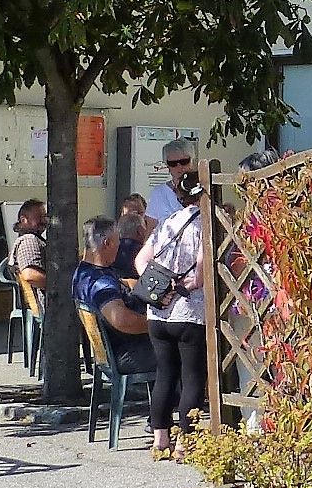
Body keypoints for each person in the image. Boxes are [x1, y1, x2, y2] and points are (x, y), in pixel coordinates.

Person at [135, 160, 210, 457]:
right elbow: (201, 274)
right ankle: (184, 442)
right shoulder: (204, 226)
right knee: (192, 377)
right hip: (189, 311)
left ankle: (160, 439)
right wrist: (185, 286)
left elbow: (140, 261)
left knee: (165, 374)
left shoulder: (166, 224)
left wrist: (160, 290)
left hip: (158, 313)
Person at [71, 216, 152, 376]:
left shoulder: (84, 273)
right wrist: (157, 325)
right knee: (186, 345)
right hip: (127, 354)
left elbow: (120, 284)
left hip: (111, 352)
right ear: (107, 243)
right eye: (118, 241)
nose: (120, 245)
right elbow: (122, 320)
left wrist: (131, 283)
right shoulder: (101, 283)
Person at [143, 139, 196, 224]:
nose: (179, 167)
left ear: (191, 160)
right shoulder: (158, 193)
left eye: (184, 162)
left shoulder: (203, 188)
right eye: (173, 163)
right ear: (167, 165)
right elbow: (150, 227)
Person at [10, 199, 49, 311]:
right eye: (39, 217)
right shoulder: (29, 240)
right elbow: (30, 275)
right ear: (24, 220)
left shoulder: (35, 239)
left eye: (44, 216)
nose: (43, 220)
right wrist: (60, 285)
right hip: (48, 306)